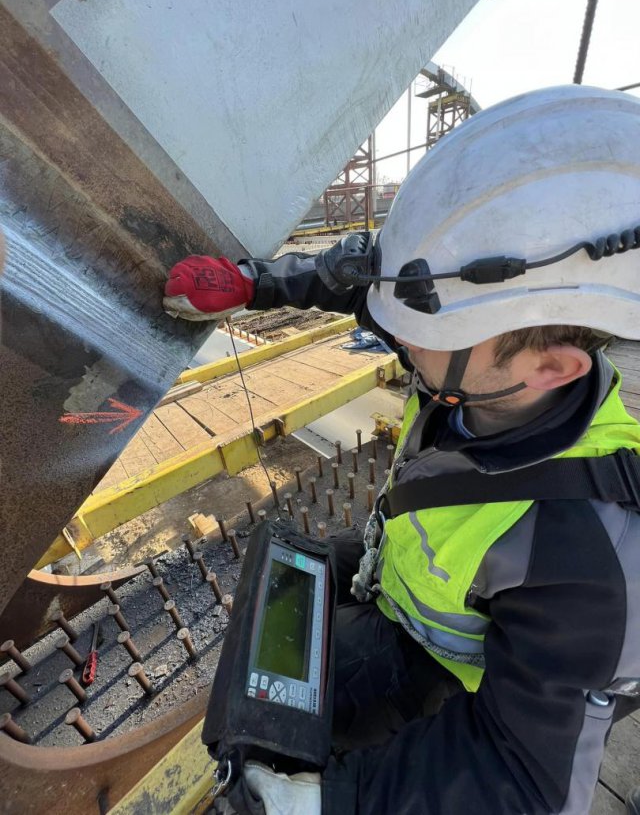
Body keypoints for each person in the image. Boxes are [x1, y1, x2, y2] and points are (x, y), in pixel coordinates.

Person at [165, 86, 640, 815]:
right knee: (283, 618)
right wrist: (254, 283)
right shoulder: (476, 355)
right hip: (400, 582)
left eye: (431, 331)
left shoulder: (591, 558)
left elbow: (522, 782)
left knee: (269, 748)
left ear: (550, 366)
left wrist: (332, 801)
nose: (394, 332)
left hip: (454, 688)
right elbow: (372, 281)